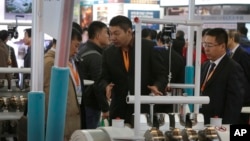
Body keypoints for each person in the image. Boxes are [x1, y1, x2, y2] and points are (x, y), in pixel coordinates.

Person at [97, 15, 167, 125]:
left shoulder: (148, 47)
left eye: (117, 33)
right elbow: (102, 78)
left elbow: (162, 75)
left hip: (143, 109)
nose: (112, 38)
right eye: (110, 34)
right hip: (118, 110)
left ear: (129, 31)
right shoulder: (108, 53)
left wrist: (157, 86)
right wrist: (106, 86)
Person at [43, 23, 82, 140]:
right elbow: (50, 100)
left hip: (69, 125)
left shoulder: (65, 61)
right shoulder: (51, 63)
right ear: (65, 41)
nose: (77, 50)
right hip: (63, 128)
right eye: (76, 46)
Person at [200, 28, 247, 124]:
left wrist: (226, 127)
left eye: (210, 45)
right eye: (204, 44)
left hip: (220, 122)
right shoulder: (205, 65)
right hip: (204, 121)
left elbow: (234, 102)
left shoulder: (233, 68)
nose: (206, 48)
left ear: (222, 46)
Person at [76, 21, 110, 129]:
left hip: (83, 103)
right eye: (107, 33)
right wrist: (105, 108)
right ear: (98, 35)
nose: (109, 36)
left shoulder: (82, 50)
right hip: (91, 105)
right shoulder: (95, 57)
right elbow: (97, 85)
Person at [227, 29, 250, 124]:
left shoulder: (243, 54)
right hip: (235, 95)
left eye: (226, 38)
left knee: (241, 121)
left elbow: (248, 74)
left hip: (244, 96)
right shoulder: (230, 54)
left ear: (232, 39)